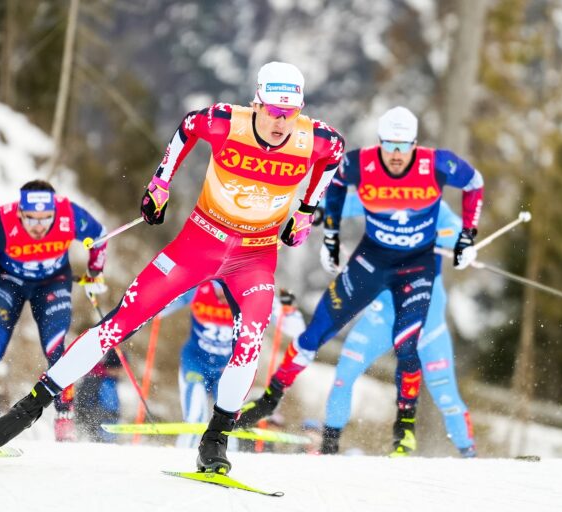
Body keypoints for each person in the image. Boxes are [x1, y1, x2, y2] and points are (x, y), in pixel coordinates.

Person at [0, 61, 344, 474]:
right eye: (274, 111)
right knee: (119, 323)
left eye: (290, 113)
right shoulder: (226, 122)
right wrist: (160, 184)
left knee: (251, 341)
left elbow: (334, 154)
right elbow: (188, 127)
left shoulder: (316, 139)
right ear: (256, 103)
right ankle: (29, 409)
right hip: (199, 243)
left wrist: (307, 209)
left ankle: (215, 439)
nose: (281, 123)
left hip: (253, 258)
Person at [238, 106, 484, 457]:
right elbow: (337, 188)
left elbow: (473, 184)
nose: (396, 155)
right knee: (317, 335)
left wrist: (466, 239)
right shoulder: (361, 165)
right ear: (380, 143)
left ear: (415, 145)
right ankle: (272, 401)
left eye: (404, 147)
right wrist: (330, 232)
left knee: (409, 348)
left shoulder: (437, 166)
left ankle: (406, 432)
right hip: (372, 262)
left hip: (416, 269)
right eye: (390, 146)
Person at [0, 180, 109, 441]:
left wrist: (94, 274)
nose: (38, 226)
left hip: (52, 282)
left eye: (45, 219)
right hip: (8, 281)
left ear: (54, 212)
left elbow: (100, 236)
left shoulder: (69, 215)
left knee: (56, 348)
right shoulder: (3, 220)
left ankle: (64, 417)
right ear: (20, 212)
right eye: (30, 219)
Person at [319, 196, 476, 457]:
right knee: (344, 375)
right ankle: (328, 446)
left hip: (427, 320)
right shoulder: (378, 193)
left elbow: (460, 233)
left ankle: (469, 454)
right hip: (383, 315)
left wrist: (446, 239)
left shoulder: (434, 205)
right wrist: (317, 211)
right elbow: (335, 203)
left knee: (446, 396)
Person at [157, 283, 305, 448]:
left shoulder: (249, 296)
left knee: (228, 420)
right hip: (195, 362)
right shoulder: (198, 289)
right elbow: (158, 309)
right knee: (196, 414)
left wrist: (289, 310)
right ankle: (184, 455)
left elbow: (296, 330)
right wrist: (159, 291)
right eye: (219, 288)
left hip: (226, 368)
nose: (223, 296)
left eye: (227, 290)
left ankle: (222, 459)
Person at [74, 349, 122, 443]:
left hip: (101, 421)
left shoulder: (108, 380)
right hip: (99, 422)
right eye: (118, 369)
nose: (120, 372)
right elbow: (84, 402)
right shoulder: (101, 381)